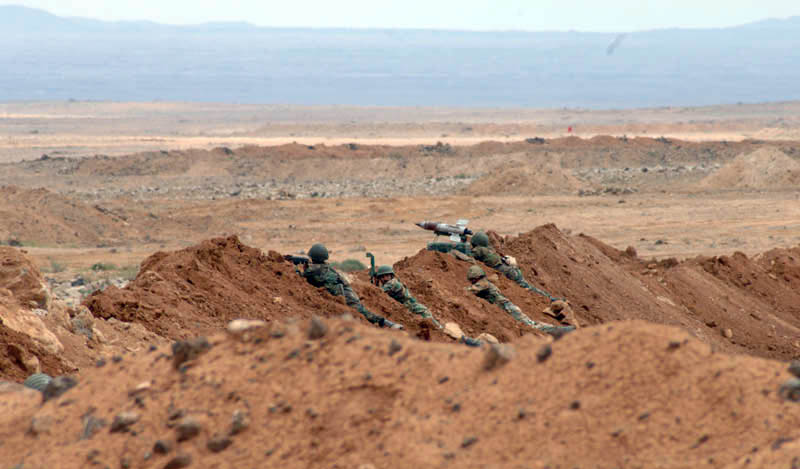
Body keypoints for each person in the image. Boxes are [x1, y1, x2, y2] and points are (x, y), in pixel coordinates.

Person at [299, 244, 402, 329]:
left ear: (313, 256)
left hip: (344, 294)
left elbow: (300, 277)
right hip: (346, 291)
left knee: (362, 312)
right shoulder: (326, 267)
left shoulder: (313, 270)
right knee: (362, 310)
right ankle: (388, 323)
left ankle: (387, 324)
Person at [375, 264, 482, 346]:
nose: (384, 278)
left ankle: (460, 339)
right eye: (382, 277)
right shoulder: (391, 282)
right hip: (411, 306)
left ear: (391, 275)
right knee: (434, 325)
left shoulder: (392, 283)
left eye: (386, 276)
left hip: (412, 306)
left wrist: (374, 285)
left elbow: (378, 292)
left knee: (436, 327)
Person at [466, 265, 573, 337]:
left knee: (532, 326)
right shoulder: (485, 282)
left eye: (472, 280)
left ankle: (561, 331)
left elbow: (470, 291)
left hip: (509, 309)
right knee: (532, 324)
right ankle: (559, 330)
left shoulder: (483, 283)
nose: (472, 282)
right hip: (509, 308)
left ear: (476, 277)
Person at [469, 231, 557, 301]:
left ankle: (550, 299)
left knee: (527, 287)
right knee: (528, 286)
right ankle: (550, 297)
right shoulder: (488, 249)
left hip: (507, 270)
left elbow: (469, 255)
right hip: (510, 268)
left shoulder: (479, 249)